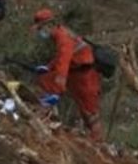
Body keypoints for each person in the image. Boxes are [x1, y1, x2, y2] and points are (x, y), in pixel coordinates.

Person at [29, 8, 103, 141]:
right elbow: (60, 58)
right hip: (76, 73)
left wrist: (57, 88)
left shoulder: (63, 38)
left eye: (41, 28)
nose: (40, 32)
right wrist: (48, 67)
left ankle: (97, 141)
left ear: (49, 25)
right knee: (45, 81)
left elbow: (63, 62)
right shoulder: (60, 34)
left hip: (85, 76)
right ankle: (47, 114)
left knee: (90, 111)